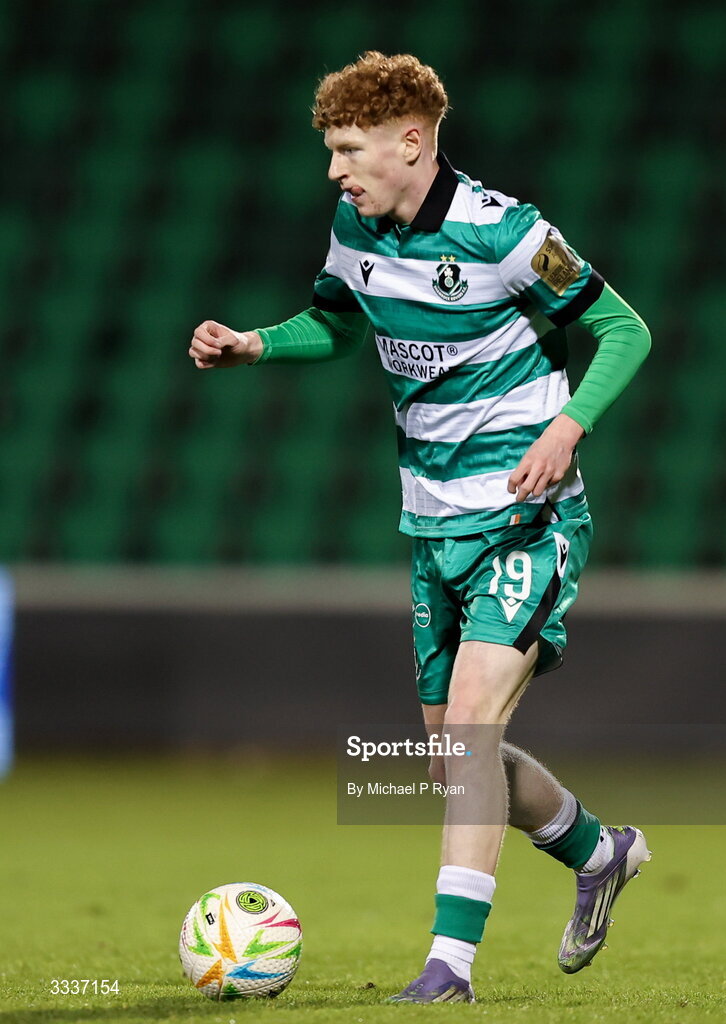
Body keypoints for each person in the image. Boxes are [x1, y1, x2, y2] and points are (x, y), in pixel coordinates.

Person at [188, 51, 652, 1004]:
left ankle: (449, 968)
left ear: (412, 141)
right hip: (432, 522)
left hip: (526, 517)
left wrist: (567, 427)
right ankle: (595, 848)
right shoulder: (355, 224)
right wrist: (255, 346)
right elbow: (338, 325)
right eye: (330, 151)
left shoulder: (504, 233)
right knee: (451, 754)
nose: (334, 170)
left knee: (471, 735)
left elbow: (625, 330)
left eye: (349, 149)